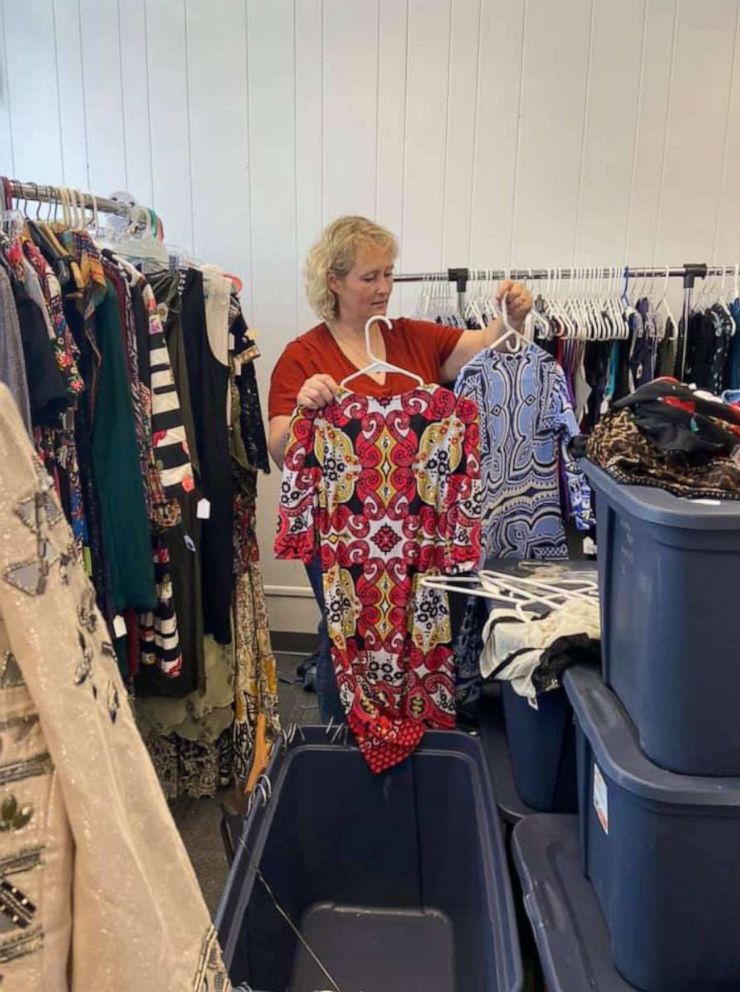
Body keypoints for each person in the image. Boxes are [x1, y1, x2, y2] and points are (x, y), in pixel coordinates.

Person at [268, 215, 533, 722]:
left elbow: (482, 348)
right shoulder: (302, 357)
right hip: (341, 533)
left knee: (419, 627)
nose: (384, 288)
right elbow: (283, 450)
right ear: (334, 281)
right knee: (344, 633)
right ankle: (340, 744)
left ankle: (411, 736)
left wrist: (511, 316)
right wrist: (305, 408)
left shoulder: (412, 337)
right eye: (370, 277)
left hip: (415, 525)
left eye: (389, 274)